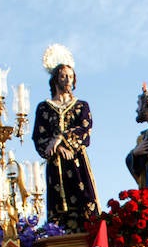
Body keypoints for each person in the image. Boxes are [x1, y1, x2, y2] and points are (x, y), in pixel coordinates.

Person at [32, 47, 100, 232]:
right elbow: (39, 135)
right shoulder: (44, 108)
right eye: (63, 76)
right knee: (58, 207)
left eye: (71, 76)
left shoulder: (81, 105)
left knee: (84, 202)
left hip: (76, 161)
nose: (68, 80)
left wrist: (61, 139)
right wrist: (57, 148)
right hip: (56, 164)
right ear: (55, 79)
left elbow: (85, 130)